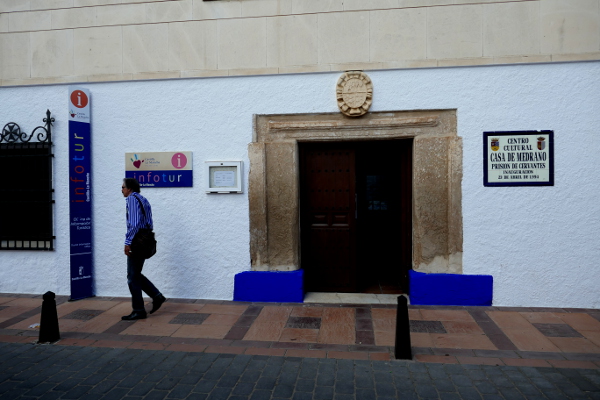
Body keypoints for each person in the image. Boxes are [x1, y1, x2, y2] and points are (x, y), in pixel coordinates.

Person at [121, 178, 166, 320]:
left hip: (137, 240)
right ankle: (156, 296)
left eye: (123, 187)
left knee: (132, 277)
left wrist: (128, 242)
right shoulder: (143, 199)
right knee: (134, 274)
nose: (122, 190)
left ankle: (139, 310)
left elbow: (134, 224)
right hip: (145, 238)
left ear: (130, 189)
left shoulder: (132, 200)